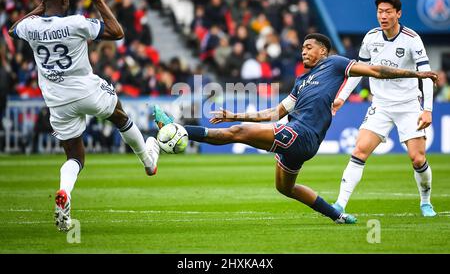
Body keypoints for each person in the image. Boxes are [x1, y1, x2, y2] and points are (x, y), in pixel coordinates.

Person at [155, 33, 438, 224]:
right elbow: (275, 112)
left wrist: (416, 73)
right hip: (297, 140)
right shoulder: (302, 82)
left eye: (309, 47)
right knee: (284, 188)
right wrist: (233, 114)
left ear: (323, 51)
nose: (303, 51)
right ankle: (337, 215)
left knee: (238, 133)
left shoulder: (337, 64)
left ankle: (178, 128)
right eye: (302, 48)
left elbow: (376, 71)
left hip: (301, 135)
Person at [8, 0, 172, 232]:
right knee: (119, 116)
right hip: (86, 90)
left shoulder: (29, 26)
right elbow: (117, 32)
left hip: (57, 100)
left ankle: (65, 191)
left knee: (75, 156)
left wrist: (37, 9)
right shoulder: (75, 22)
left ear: (43, 3)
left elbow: (12, 29)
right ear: (64, 2)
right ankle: (149, 163)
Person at [331, 0, 437, 217]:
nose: (383, 16)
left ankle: (425, 201)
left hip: (409, 105)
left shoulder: (412, 39)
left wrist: (428, 109)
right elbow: (357, 71)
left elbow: (426, 75)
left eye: (388, 12)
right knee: (359, 150)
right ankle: (339, 204)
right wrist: (342, 97)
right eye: (380, 12)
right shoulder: (371, 38)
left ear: (398, 14)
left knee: (417, 158)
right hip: (381, 105)